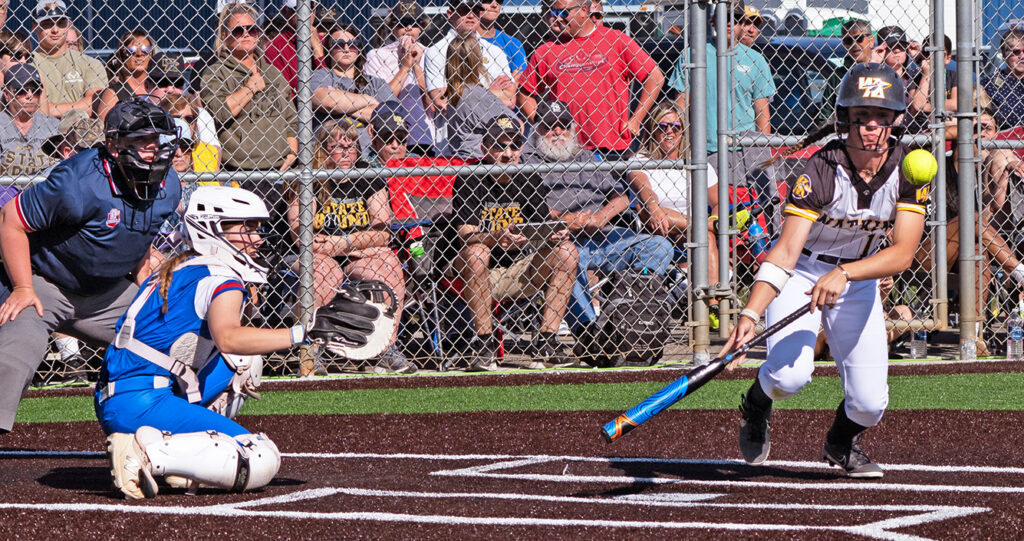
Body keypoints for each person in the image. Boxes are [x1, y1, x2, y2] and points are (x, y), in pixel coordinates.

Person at [98, 185, 398, 500]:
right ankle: (148, 454)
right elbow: (229, 338)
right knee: (261, 457)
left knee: (245, 363)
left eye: (257, 229)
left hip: (123, 394)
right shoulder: (219, 277)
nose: (256, 238)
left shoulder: (180, 265)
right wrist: (302, 333)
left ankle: (178, 452)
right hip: (143, 401)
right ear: (212, 228)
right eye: (246, 228)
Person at [724, 63, 928, 479]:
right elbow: (784, 252)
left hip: (855, 281)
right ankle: (757, 404)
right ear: (844, 120)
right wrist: (749, 314)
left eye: (882, 118)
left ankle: (839, 442)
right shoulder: (820, 169)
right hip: (802, 274)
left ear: (896, 121)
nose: (872, 127)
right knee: (788, 376)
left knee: (870, 404)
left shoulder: (910, 168)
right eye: (862, 118)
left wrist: (849, 274)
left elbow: (904, 253)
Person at [0, 98, 182, 434]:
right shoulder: (79, 182)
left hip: (107, 293)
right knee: (18, 347)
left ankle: (174, 426)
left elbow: (139, 235)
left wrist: (146, 279)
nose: (153, 150)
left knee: (178, 336)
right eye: (142, 141)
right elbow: (10, 219)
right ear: (113, 145)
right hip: (46, 283)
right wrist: (24, 287)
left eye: (157, 141)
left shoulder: (168, 185)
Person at [520, 99, 673, 348]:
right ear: (537, 129)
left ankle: (628, 313)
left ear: (572, 128)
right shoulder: (527, 161)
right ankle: (592, 333)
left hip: (601, 234)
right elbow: (525, 204)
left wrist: (600, 217)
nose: (558, 132)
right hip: (558, 240)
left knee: (659, 246)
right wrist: (563, 219)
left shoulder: (587, 157)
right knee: (569, 260)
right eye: (550, 126)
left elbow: (623, 196)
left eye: (563, 125)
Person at [285, 120, 414, 373]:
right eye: (338, 146)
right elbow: (302, 236)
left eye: (352, 146)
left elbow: (382, 231)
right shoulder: (308, 175)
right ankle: (310, 350)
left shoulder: (367, 173)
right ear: (322, 148)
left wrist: (341, 242)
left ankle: (386, 347)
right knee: (325, 273)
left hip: (345, 249)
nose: (347, 152)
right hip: (318, 254)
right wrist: (353, 243)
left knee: (388, 264)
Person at [452, 114, 578, 370]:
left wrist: (553, 234)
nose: (508, 153)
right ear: (485, 147)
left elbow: (540, 227)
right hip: (473, 272)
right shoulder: (470, 177)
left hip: (520, 269)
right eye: (500, 145)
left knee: (567, 251)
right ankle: (484, 342)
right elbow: (465, 235)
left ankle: (546, 340)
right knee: (477, 252)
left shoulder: (528, 178)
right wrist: (496, 237)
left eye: (514, 145)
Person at [519, 0, 663, 160]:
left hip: (613, 148)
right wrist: (544, 124)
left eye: (563, 12)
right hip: (567, 151)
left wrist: (636, 119)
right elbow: (524, 94)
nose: (556, 18)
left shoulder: (615, 40)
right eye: (553, 12)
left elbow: (655, 77)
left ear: (583, 10)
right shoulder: (546, 50)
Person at [627, 101, 724, 324]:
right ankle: (703, 228)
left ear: (683, 131)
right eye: (663, 126)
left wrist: (713, 220)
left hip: (690, 231)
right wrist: (654, 208)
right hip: (655, 227)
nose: (669, 132)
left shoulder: (696, 163)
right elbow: (645, 194)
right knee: (651, 209)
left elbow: (719, 203)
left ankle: (713, 306)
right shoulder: (639, 161)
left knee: (706, 236)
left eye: (676, 127)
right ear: (652, 129)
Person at [670, 2, 776, 182]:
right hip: (702, 151)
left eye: (734, 19)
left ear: (742, 25)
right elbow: (680, 107)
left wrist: (759, 157)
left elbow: (762, 115)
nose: (728, 23)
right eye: (723, 17)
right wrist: (681, 148)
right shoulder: (691, 56)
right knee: (707, 209)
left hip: (743, 153)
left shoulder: (756, 61)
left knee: (744, 209)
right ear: (713, 21)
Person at [200, 3, 298, 173]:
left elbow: (291, 117)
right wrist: (250, 88)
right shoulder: (215, 73)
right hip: (238, 171)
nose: (246, 34)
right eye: (238, 31)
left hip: (279, 169)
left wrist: (292, 153)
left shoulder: (272, 72)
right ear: (224, 36)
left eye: (251, 29)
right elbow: (220, 112)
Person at [311, 23, 393, 157]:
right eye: (339, 43)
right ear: (329, 49)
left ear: (359, 48)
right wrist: (369, 100)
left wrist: (341, 104)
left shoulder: (376, 83)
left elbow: (389, 117)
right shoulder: (319, 76)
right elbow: (328, 101)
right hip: (328, 156)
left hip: (370, 156)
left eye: (353, 43)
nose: (346, 48)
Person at [364, 1, 433, 156]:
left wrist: (416, 66)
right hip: (389, 136)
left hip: (423, 135)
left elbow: (433, 104)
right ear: (391, 27)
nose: (408, 28)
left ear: (422, 27)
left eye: (415, 23)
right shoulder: (377, 55)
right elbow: (379, 102)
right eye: (402, 23)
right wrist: (405, 67)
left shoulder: (431, 54)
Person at [424, 0, 514, 113]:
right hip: (455, 127)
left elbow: (510, 99)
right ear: (450, 14)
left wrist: (459, 94)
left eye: (475, 11)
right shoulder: (436, 51)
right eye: (464, 11)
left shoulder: (494, 51)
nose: (471, 16)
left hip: (492, 126)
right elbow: (441, 101)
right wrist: (488, 92)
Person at [31, 1, 107, 118]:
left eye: (61, 23)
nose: (55, 30)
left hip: (82, 131)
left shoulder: (90, 63)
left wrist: (50, 110)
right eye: (47, 24)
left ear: (68, 24)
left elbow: (96, 104)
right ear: (35, 27)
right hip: (42, 133)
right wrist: (80, 107)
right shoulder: (28, 63)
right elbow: (32, 109)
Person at [444, 36, 515, 159]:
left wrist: (488, 93)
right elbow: (516, 124)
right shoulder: (475, 94)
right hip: (480, 162)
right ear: (477, 59)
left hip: (462, 161)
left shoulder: (455, 91)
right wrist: (492, 94)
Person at [150, 53, 221, 173]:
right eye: (162, 83)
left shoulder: (200, 114)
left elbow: (214, 160)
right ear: (147, 85)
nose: (171, 89)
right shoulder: (141, 114)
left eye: (177, 83)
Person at [0, 63, 58, 176]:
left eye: (35, 90)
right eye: (21, 90)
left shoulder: (54, 126)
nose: (30, 95)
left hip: (45, 191)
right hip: (7, 192)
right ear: (7, 94)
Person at [817, 19, 876, 125]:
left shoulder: (883, 71)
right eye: (848, 41)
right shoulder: (838, 76)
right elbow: (825, 116)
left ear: (871, 40)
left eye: (859, 39)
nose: (854, 44)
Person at [94, 29, 158, 121]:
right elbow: (102, 129)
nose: (139, 54)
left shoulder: (159, 87)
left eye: (146, 50)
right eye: (131, 50)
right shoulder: (113, 93)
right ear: (122, 55)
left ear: (151, 54)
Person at [875, 26, 928, 132]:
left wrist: (921, 57)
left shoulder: (915, 76)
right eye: (891, 47)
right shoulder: (876, 78)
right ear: (882, 50)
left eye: (901, 46)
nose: (897, 50)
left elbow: (917, 108)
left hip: (916, 132)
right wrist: (874, 63)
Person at [265, 0, 326, 90]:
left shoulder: (325, 42)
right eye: (298, 9)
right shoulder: (276, 46)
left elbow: (330, 85)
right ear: (284, 12)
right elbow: (282, 91)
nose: (305, 14)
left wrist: (317, 50)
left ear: (315, 11)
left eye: (310, 8)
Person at [981, 28, 1024, 131]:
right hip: (1005, 142)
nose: (1022, 56)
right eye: (1016, 52)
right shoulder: (989, 85)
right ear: (1004, 54)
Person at [477, 0, 527, 78]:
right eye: (487, 0)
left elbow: (519, 80)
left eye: (499, 1)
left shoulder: (513, 44)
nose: (495, 5)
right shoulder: (459, 41)